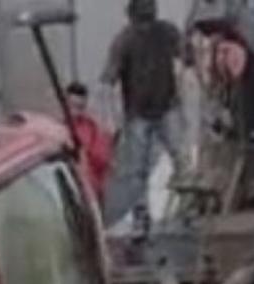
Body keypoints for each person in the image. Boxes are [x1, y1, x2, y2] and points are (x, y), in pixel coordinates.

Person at [100, 0, 194, 237]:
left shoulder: (152, 33)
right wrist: (113, 118)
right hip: (144, 112)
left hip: (161, 107)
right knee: (147, 167)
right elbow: (108, 80)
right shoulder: (128, 39)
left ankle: (186, 210)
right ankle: (148, 215)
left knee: (176, 161)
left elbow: (187, 56)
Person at [66, 82, 114, 205]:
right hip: (68, 193)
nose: (75, 111)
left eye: (79, 107)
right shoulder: (58, 128)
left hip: (90, 194)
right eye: (72, 106)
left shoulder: (93, 129)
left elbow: (103, 160)